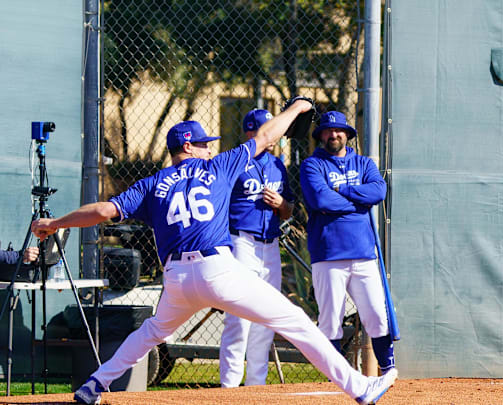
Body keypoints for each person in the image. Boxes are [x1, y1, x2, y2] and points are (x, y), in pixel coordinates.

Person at [31, 101, 397, 405]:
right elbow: (267, 135)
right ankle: (361, 388)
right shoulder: (217, 166)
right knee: (296, 322)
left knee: (150, 333)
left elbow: (103, 211)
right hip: (218, 270)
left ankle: (94, 384)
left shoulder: (152, 183)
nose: (209, 147)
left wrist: (56, 223)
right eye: (204, 143)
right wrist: (298, 106)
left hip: (176, 279)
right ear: (187, 147)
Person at [300, 111, 395, 375]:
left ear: (348, 134)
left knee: (377, 315)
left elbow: (378, 191)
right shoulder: (312, 165)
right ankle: (337, 375)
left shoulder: (364, 163)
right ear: (321, 136)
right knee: (331, 321)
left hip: (364, 252)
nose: (333, 135)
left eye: (339, 130)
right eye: (328, 131)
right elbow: (320, 200)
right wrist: (358, 201)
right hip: (328, 253)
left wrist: (342, 191)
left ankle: (388, 370)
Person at [219, 109, 295, 387]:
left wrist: (281, 205)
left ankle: (256, 386)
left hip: (270, 246)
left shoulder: (278, 165)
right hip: (241, 242)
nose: (274, 133)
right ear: (251, 132)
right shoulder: (234, 163)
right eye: (267, 128)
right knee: (238, 317)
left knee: (266, 315)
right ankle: (229, 386)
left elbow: (289, 211)